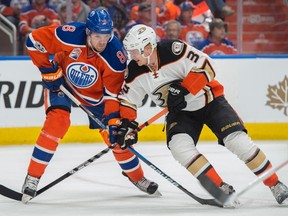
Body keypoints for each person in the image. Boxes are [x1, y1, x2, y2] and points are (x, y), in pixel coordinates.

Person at [117, 24, 288, 206]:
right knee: (179, 147)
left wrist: (183, 89)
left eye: (134, 51)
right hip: (181, 113)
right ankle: (219, 188)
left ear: (148, 47)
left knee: (237, 141)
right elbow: (128, 99)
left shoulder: (174, 50)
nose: (132, 56)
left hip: (210, 101)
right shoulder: (134, 70)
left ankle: (274, 183)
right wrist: (127, 125)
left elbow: (207, 66)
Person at [21, 8, 159, 204]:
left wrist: (112, 121)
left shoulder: (116, 57)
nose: (102, 41)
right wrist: (47, 69)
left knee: (117, 137)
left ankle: (137, 177)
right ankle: (32, 177)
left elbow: (112, 95)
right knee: (57, 122)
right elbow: (34, 41)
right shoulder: (69, 35)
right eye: (97, 36)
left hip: (96, 98)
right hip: (63, 83)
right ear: (88, 32)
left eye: (106, 35)